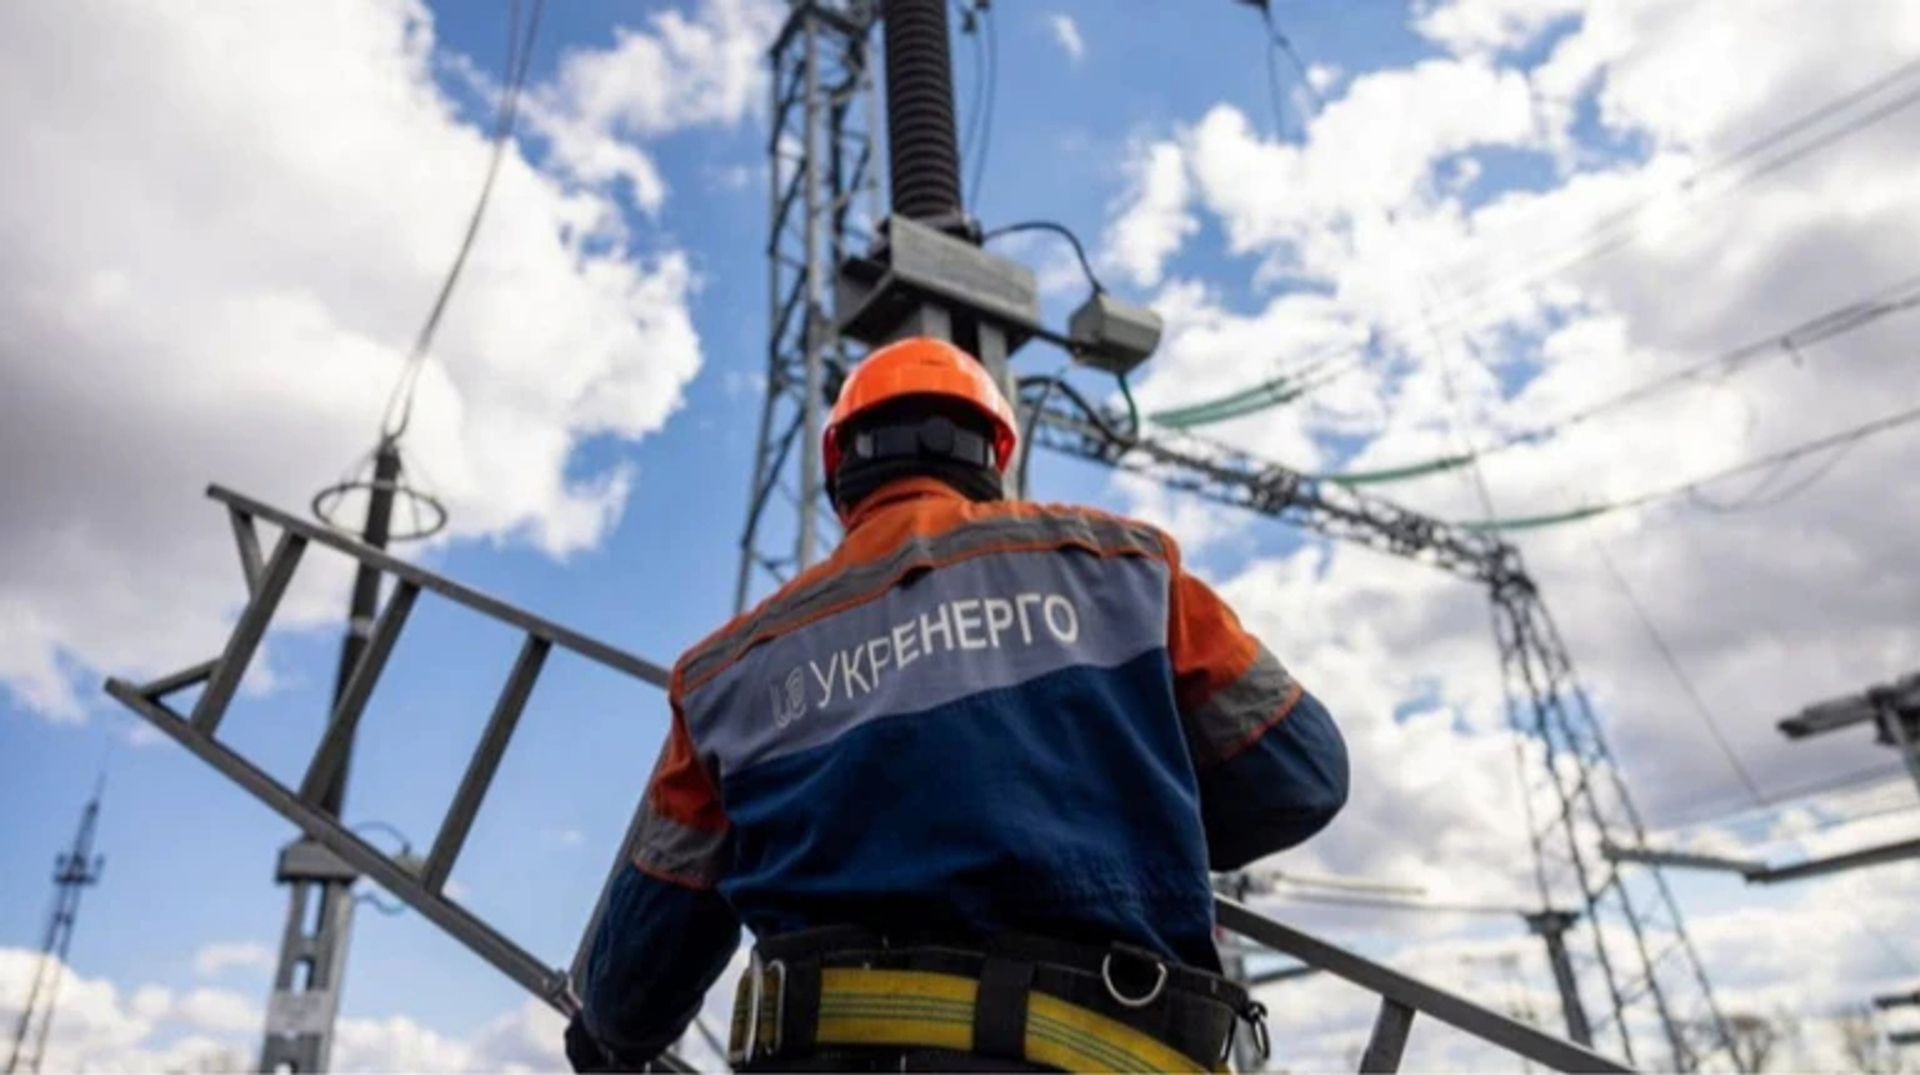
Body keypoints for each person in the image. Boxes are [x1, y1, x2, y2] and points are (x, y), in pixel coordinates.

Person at [565, 336, 1349, 1073]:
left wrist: (603, 1032)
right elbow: (1304, 774)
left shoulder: (724, 677)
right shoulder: (1129, 572)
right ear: (994, 455)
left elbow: (630, 995)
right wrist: (1130, 819)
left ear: (840, 468)